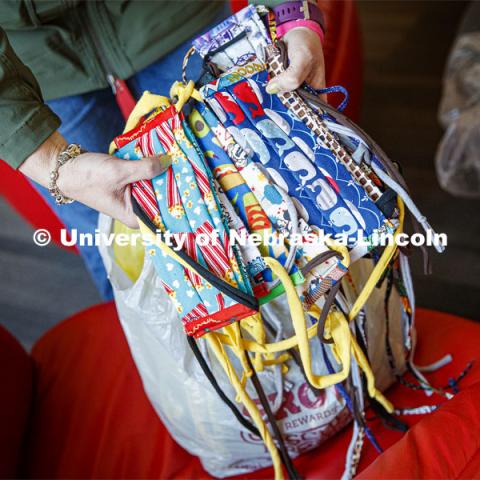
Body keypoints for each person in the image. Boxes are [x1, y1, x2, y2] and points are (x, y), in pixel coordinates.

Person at [0, 0, 326, 299]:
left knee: (270, 204)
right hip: (32, 64)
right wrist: (51, 161)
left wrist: (290, 10)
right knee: (118, 248)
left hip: (175, 14)